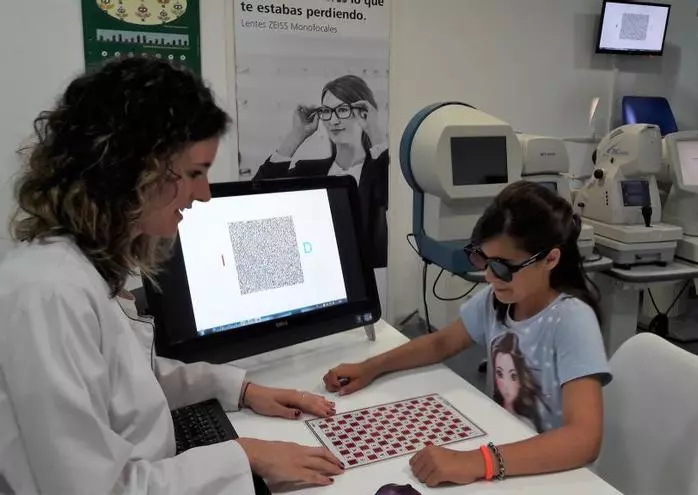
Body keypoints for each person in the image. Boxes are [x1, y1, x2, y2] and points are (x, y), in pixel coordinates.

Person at [0, 57, 345, 494]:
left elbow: (125, 382)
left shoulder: (82, 270)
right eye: (195, 173)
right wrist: (243, 456)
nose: (204, 194)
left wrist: (239, 389)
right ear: (132, 170)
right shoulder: (48, 294)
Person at [323, 181, 612, 487]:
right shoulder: (497, 301)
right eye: (482, 260)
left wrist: (478, 461)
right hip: (504, 451)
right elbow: (441, 343)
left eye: (502, 267)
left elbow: (584, 439)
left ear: (550, 259)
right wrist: (371, 367)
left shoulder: (572, 320)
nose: (488, 276)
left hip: (556, 475)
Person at [253, 74, 388, 269]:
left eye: (342, 110)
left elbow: (391, 200)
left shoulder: (379, 172)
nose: (333, 120)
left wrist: (374, 131)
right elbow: (257, 196)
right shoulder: (308, 171)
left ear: (364, 113)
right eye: (326, 111)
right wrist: (296, 135)